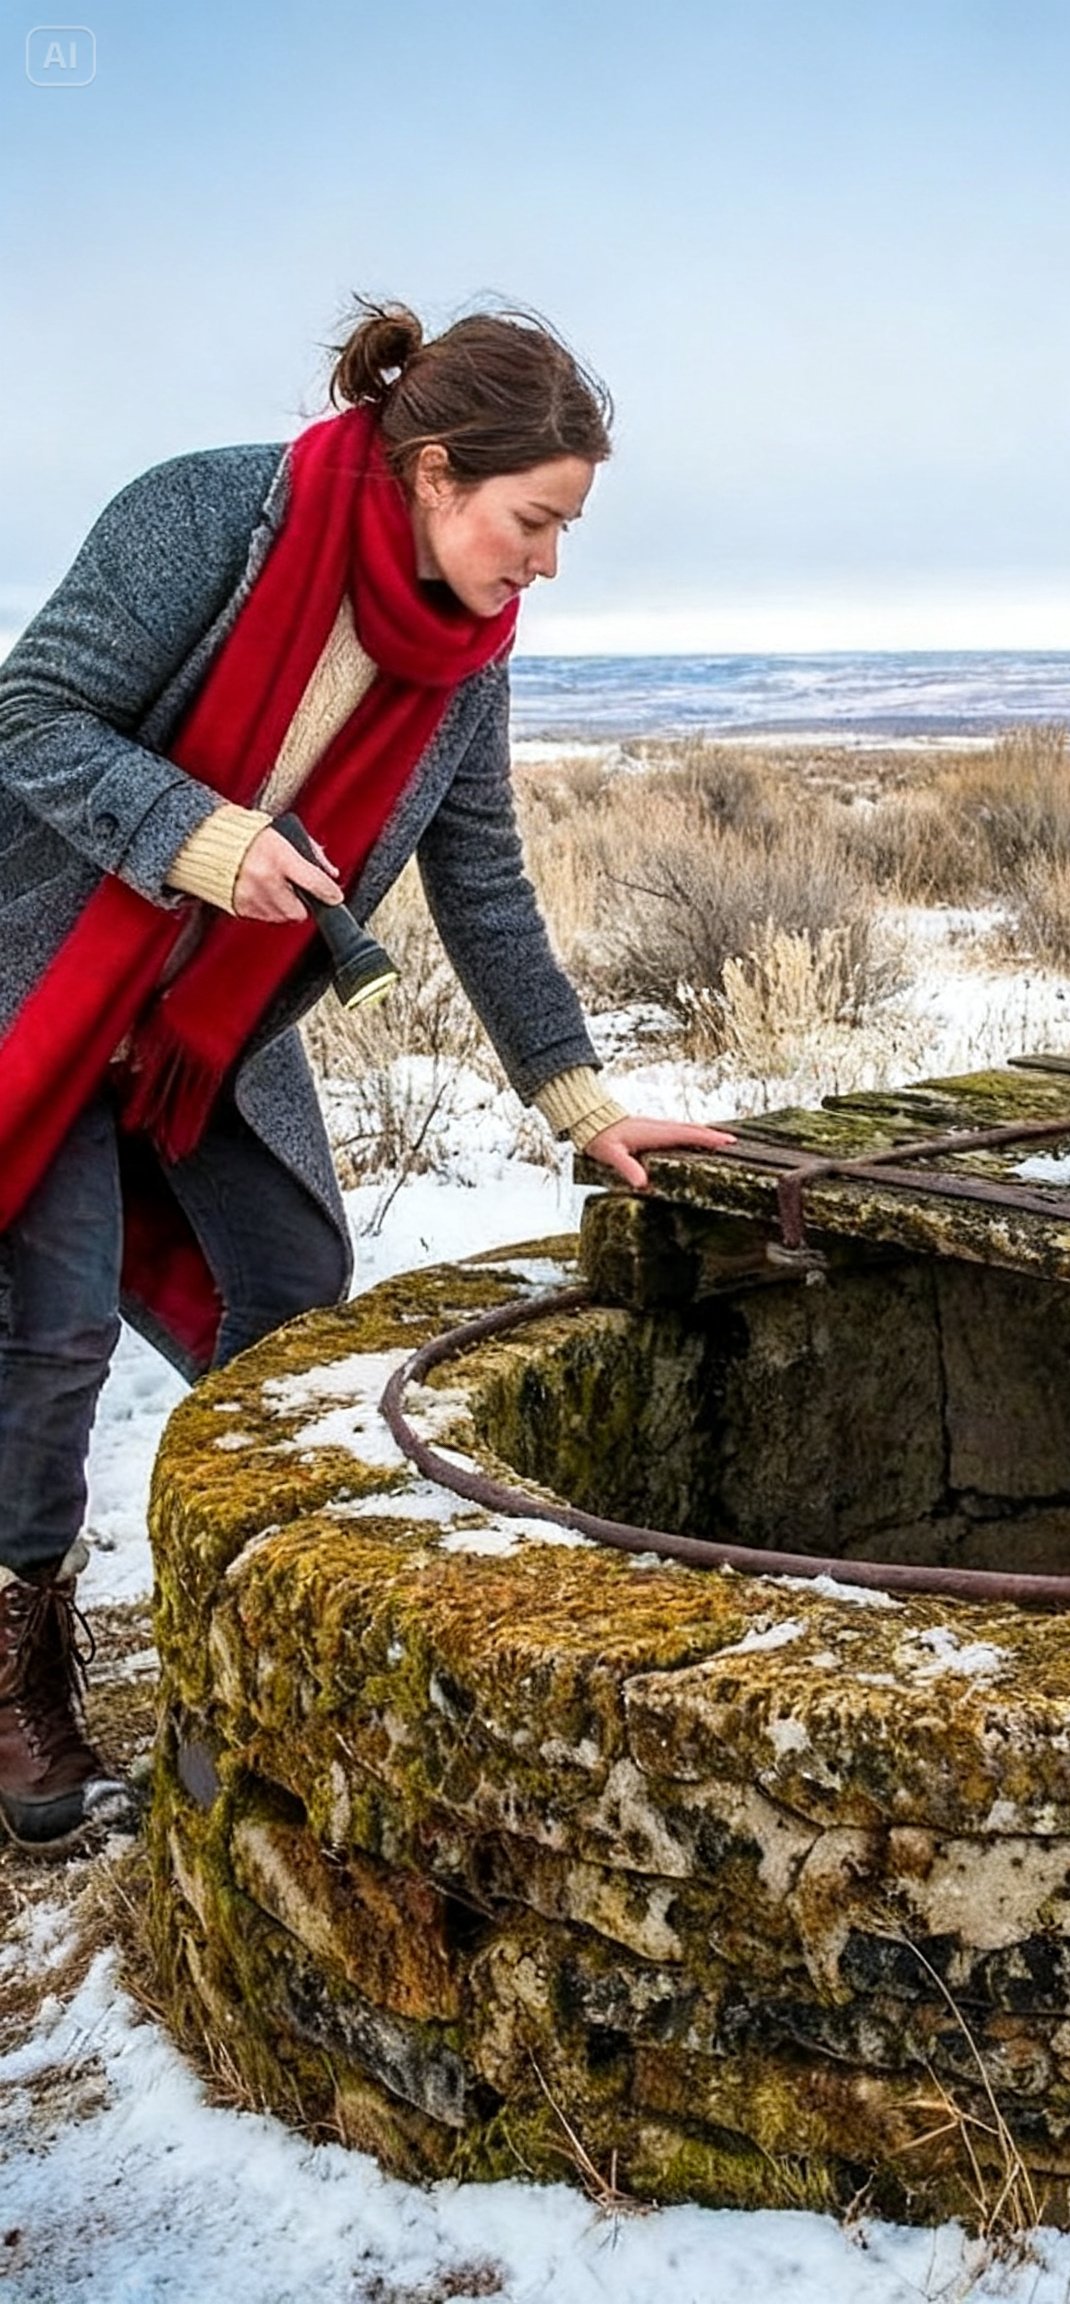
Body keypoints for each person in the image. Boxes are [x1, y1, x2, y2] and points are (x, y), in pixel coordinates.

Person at [0, 297, 734, 1850]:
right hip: (41, 986)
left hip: (201, 1028)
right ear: (437, 471)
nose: (546, 562)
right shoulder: (208, 514)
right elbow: (28, 719)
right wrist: (203, 840)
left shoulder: (465, 656)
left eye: (565, 530)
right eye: (533, 520)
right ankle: (22, 1680)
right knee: (49, 1325)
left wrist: (580, 1099)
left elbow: (485, 884)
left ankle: (249, 1615)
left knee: (293, 1282)